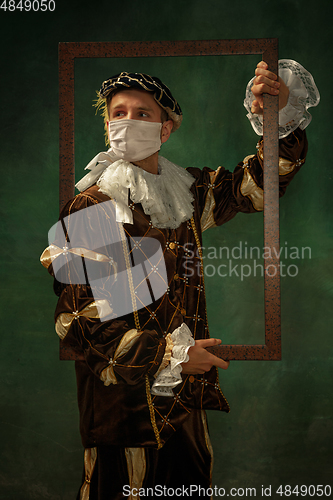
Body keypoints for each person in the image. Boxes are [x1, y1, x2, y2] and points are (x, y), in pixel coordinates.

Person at [41, 60, 319, 499]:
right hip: (125, 410)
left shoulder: (185, 189)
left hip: (184, 405)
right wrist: (169, 357)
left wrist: (276, 121)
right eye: (118, 113)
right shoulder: (93, 205)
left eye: (142, 113)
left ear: (166, 129)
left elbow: (258, 186)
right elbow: (78, 323)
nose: (127, 122)